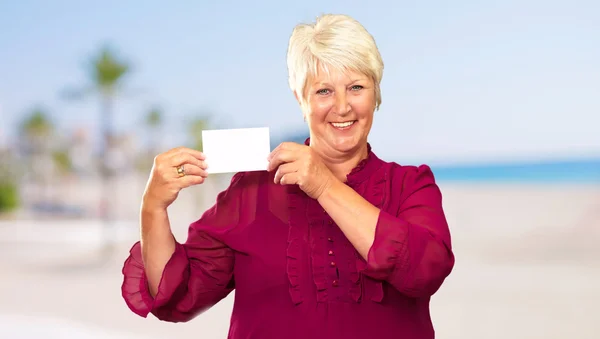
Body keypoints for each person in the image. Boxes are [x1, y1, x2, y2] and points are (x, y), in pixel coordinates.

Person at [121, 13, 455, 339]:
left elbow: (426, 271)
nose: (342, 107)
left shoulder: (411, 185)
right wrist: (152, 207)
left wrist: (323, 185)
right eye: (324, 91)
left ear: (375, 93)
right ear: (300, 97)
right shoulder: (251, 191)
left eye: (356, 87)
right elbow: (179, 297)